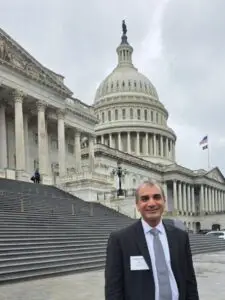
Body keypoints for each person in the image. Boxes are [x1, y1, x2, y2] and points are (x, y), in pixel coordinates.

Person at [105, 179, 199, 300]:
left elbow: (189, 281)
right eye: (145, 199)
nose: (151, 203)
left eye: (156, 197)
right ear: (137, 205)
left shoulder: (180, 237)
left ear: (164, 201)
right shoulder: (120, 240)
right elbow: (113, 289)